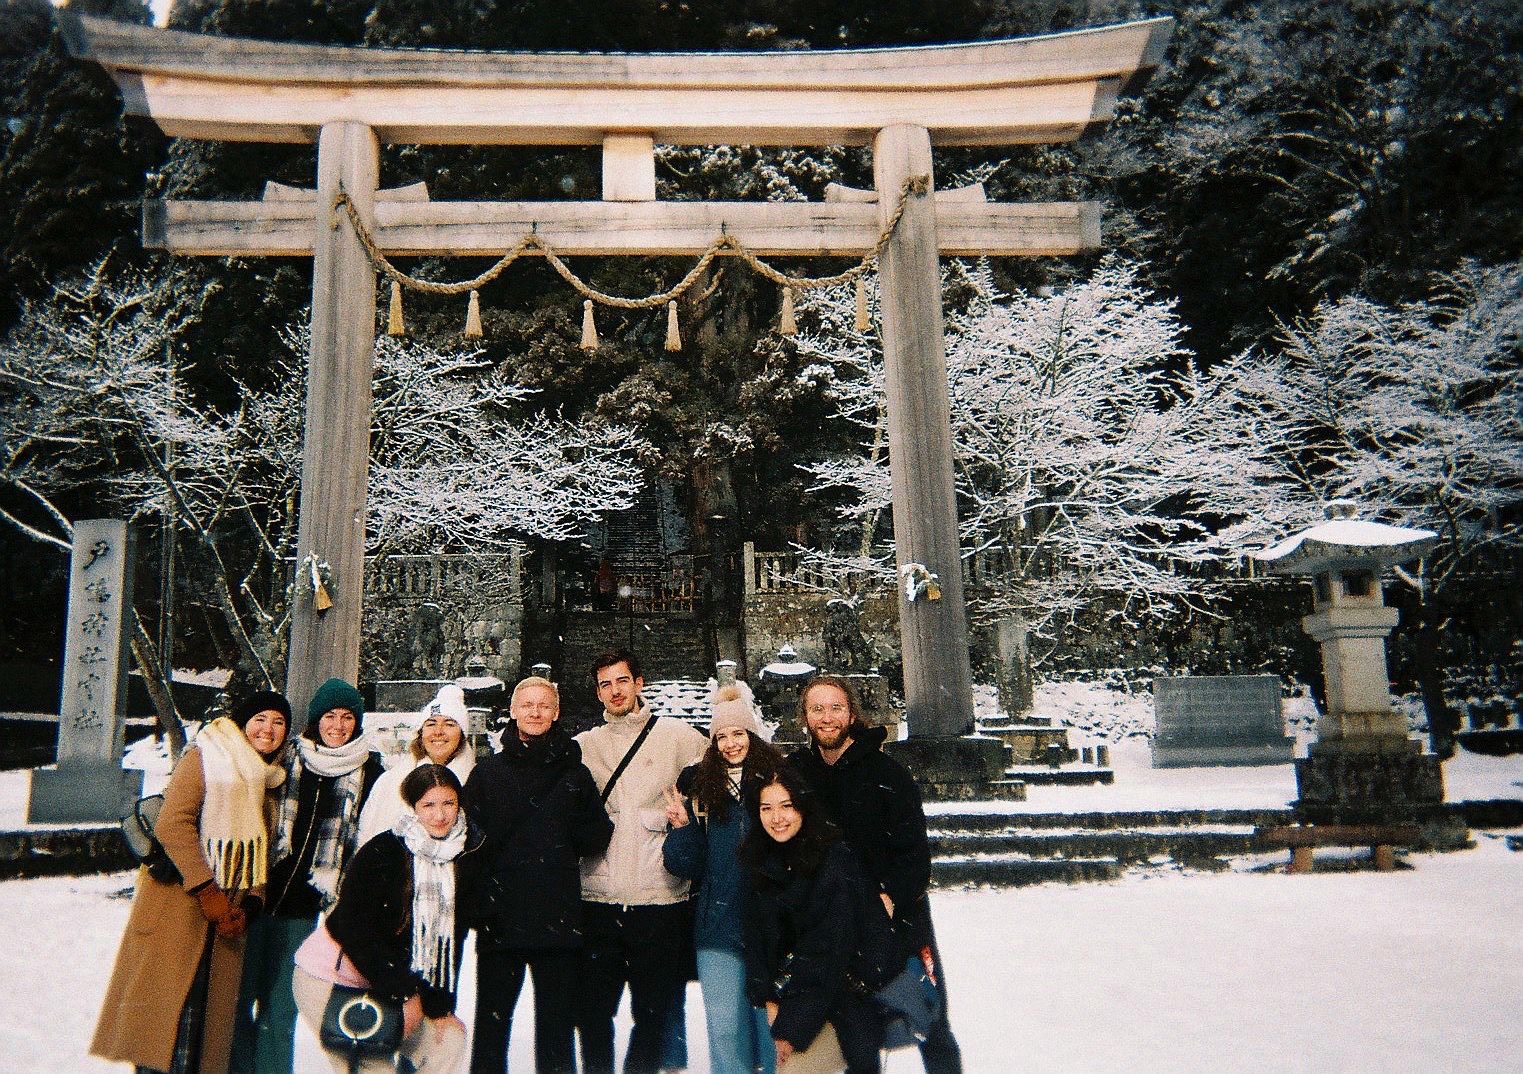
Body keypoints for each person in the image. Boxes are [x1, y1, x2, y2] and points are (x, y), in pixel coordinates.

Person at [92, 691, 291, 1074]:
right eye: (260, 718)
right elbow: (173, 824)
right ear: (242, 722)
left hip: (227, 916)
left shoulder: (266, 778)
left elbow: (260, 849)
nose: (268, 730)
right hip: (180, 904)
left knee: (205, 1030)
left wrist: (250, 904)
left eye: (279, 722)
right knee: (167, 1018)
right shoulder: (207, 756)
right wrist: (208, 891)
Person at [787, 675, 962, 1074]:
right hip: (835, 922)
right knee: (858, 1035)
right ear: (805, 717)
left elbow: (915, 854)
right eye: (817, 709)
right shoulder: (795, 773)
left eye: (835, 708)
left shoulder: (888, 774)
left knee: (928, 1018)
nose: (827, 718)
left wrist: (891, 895)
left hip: (896, 915)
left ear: (851, 713)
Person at [231, 677, 385, 1074]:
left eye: (347, 716)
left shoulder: (371, 771)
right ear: (315, 720)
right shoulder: (286, 757)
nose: (337, 725)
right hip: (255, 895)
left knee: (280, 1012)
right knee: (234, 1003)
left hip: (307, 910)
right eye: (329, 716)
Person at [291, 764, 483, 1074]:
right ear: (413, 807)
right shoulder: (383, 851)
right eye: (428, 805)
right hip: (331, 976)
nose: (440, 815)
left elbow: (451, 942)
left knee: (448, 1040)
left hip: (391, 983)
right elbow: (357, 931)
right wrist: (404, 994)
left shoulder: (462, 858)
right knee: (373, 1064)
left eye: (448, 803)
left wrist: (439, 1007)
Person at [463, 675, 613, 1074]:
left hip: (556, 915)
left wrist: (561, 834)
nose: (535, 712)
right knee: (492, 1027)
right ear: (512, 712)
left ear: (556, 712)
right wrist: (481, 903)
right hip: (502, 915)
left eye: (544, 705)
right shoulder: (487, 774)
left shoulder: (575, 775)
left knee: (556, 1029)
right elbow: (470, 845)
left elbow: (596, 834)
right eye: (526, 705)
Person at [574, 649, 709, 1074]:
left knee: (652, 1015)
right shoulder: (585, 746)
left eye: (621, 681)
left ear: (639, 683)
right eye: (605, 684)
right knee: (592, 1013)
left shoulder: (676, 736)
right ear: (597, 692)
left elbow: (724, 761)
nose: (614, 691)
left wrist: (689, 815)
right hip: (599, 896)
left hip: (659, 899)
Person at [741, 766, 900, 1074]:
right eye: (766, 808)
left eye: (787, 806)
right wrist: (769, 997)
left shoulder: (833, 860)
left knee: (797, 1070)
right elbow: (757, 938)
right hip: (800, 994)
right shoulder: (759, 860)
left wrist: (791, 1028)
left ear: (802, 806)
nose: (777, 818)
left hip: (846, 995)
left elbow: (826, 953)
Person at [663, 683, 785, 1074]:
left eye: (738, 734)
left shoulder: (778, 783)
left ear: (752, 735)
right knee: (725, 1030)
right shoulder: (700, 789)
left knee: (772, 1028)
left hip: (771, 922)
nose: (731, 743)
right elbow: (686, 865)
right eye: (721, 736)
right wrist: (682, 829)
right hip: (718, 922)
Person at [356, 684, 475, 848]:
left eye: (449, 724)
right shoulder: (391, 781)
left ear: (462, 734)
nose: (438, 731)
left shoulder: (477, 783)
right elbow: (366, 838)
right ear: (421, 733)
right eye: (431, 724)